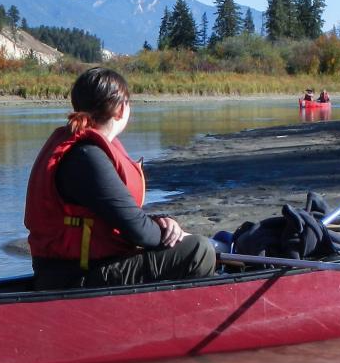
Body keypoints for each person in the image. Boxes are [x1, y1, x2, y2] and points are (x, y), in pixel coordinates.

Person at [24, 66, 216, 289]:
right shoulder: (86, 157)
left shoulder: (82, 150)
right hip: (76, 277)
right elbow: (139, 232)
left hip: (66, 271)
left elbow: (119, 217)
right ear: (120, 109)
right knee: (199, 250)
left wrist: (159, 221)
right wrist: (176, 234)